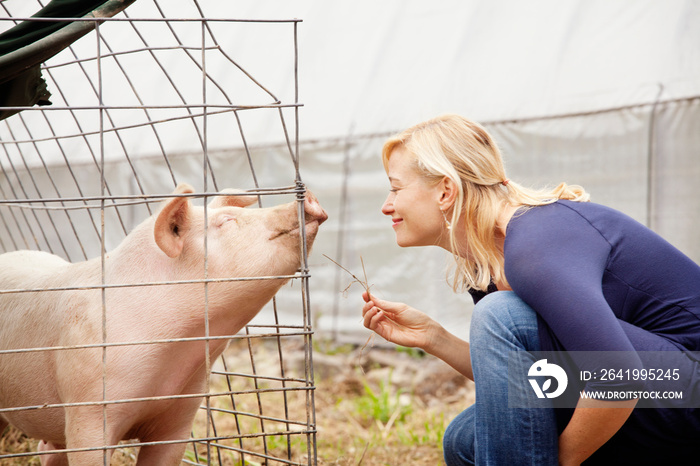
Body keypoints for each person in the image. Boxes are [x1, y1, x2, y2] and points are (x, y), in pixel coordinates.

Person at [360, 114, 700, 465]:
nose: (387, 205)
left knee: (501, 315)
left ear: (445, 191)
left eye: (396, 188)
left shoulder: (534, 246)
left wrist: (562, 461)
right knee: (465, 439)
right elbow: (514, 373)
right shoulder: (489, 264)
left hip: (684, 387)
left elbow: (619, 378)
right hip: (658, 384)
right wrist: (434, 337)